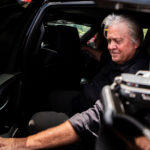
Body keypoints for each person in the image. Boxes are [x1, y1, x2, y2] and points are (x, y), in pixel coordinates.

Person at [0, 13, 149, 150]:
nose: (111, 47)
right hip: (82, 101)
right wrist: (86, 48)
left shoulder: (137, 77)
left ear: (136, 42)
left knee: (37, 121)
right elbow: (103, 57)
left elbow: (91, 120)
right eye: (109, 41)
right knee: (54, 95)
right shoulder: (122, 56)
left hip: (89, 123)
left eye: (117, 41)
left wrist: (22, 143)